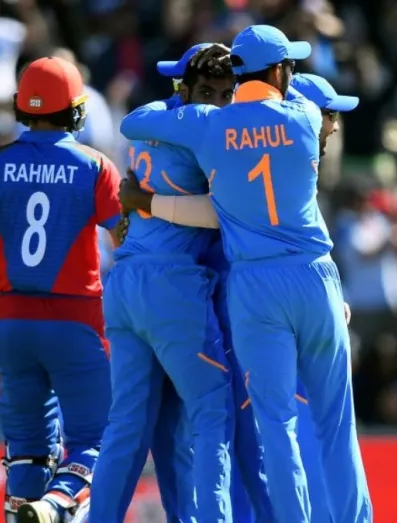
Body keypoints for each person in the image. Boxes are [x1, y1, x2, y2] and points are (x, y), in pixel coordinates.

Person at [118, 25, 371, 523]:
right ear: (279, 73)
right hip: (313, 276)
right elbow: (302, 104)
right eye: (288, 66)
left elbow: (133, 123)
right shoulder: (304, 115)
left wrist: (194, 97)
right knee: (337, 425)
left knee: (276, 426)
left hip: (253, 287)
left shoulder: (209, 124)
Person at [0, 56, 122, 523]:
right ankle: (55, 505)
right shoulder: (95, 165)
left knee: (27, 451)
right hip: (77, 322)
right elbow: (129, 244)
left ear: (21, 107)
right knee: (97, 440)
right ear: (77, 110)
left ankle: (27, 510)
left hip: (12, 324)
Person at [89, 43, 236, 523]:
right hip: (172, 286)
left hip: (126, 282)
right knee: (213, 413)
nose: (218, 103)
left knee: (134, 428)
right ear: (185, 90)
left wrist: (143, 201)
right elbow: (225, 214)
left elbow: (133, 125)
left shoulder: (153, 119)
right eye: (208, 92)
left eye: (227, 93)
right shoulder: (211, 133)